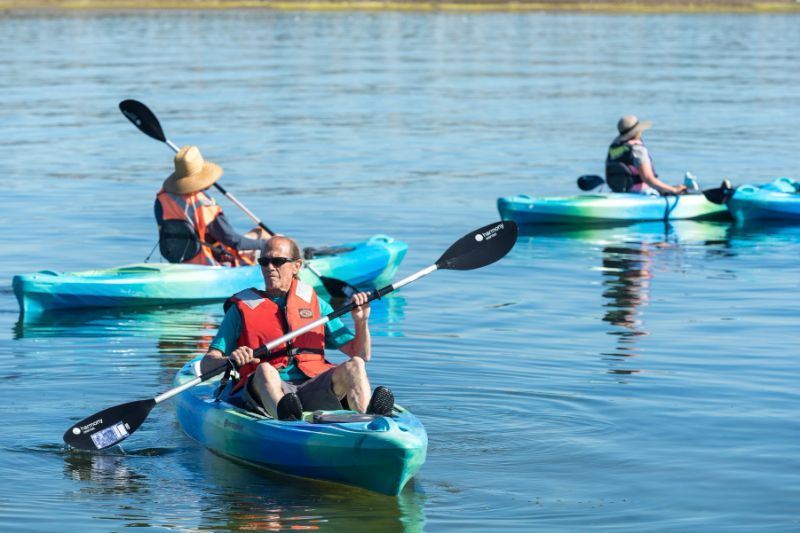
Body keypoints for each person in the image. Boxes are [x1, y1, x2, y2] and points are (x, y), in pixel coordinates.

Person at [199, 235, 394, 421]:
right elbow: (206, 364)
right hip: (266, 391)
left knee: (356, 365)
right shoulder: (241, 308)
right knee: (265, 369)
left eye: (278, 261)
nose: (269, 268)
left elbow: (360, 353)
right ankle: (287, 420)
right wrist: (231, 360)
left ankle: (370, 423)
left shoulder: (316, 304)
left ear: (296, 266)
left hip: (312, 385)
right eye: (264, 262)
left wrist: (361, 321)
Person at [154, 145, 271, 266]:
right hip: (207, 264)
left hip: (177, 261)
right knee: (267, 237)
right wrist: (266, 244)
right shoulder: (205, 205)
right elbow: (233, 241)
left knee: (258, 232)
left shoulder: (162, 198)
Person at [605, 115, 687, 196]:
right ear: (637, 132)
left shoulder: (614, 146)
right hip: (641, 193)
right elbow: (648, 178)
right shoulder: (638, 149)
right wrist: (674, 190)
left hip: (618, 193)